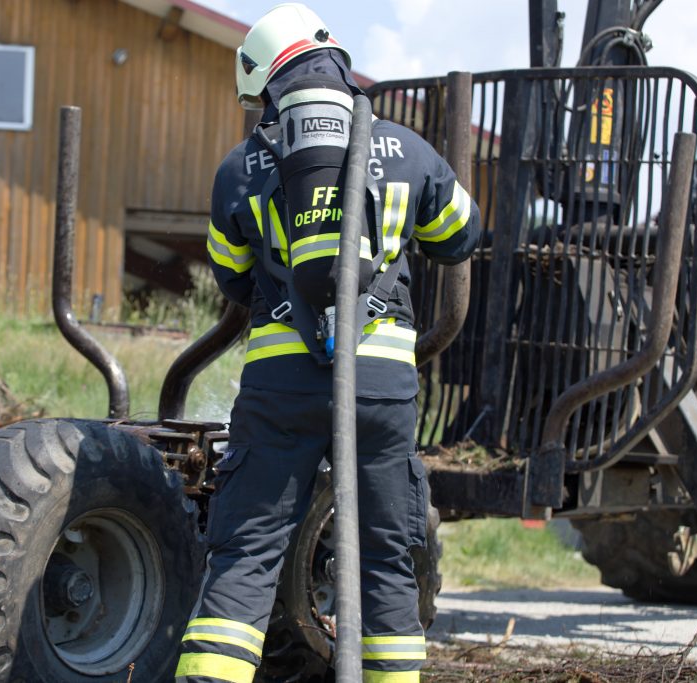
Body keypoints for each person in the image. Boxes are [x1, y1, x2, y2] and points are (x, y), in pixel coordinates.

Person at [175, 4, 481, 682]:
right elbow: (463, 233)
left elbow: (229, 274)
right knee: (384, 557)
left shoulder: (243, 163)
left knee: (247, 551)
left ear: (269, 82)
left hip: (279, 385)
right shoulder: (407, 149)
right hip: (378, 386)